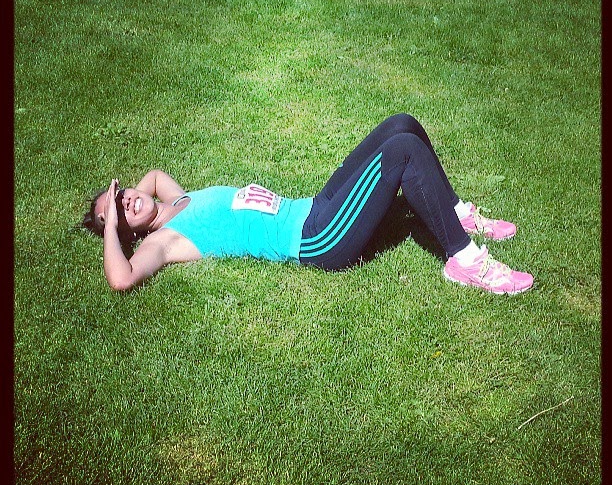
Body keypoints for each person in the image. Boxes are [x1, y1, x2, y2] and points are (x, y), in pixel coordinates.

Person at [82, 113, 533, 294]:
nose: (128, 202)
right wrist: (112, 227)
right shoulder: (163, 241)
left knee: (401, 125)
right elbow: (121, 278)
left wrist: (121, 200)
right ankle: (464, 260)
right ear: (125, 232)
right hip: (317, 239)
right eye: (119, 211)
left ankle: (452, 214)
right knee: (402, 152)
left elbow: (153, 177)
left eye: (122, 196)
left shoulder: (178, 199)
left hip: (313, 207)